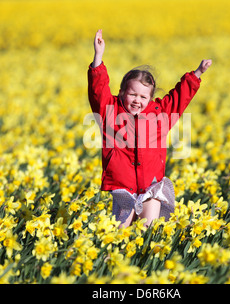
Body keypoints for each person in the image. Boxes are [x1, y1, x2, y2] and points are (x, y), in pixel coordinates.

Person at [88, 29, 212, 228]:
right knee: (122, 231)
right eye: (132, 95)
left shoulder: (160, 114)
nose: (137, 100)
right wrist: (98, 58)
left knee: (149, 228)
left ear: (151, 98)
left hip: (151, 186)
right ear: (121, 93)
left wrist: (197, 74)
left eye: (143, 97)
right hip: (122, 187)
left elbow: (179, 99)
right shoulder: (110, 112)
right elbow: (97, 91)